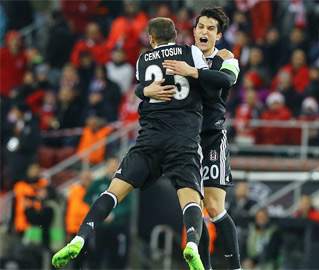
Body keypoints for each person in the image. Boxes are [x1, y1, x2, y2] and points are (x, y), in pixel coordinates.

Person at [52, 17, 233, 270]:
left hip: (149, 139)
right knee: (191, 199)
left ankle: (80, 236)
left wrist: (143, 91)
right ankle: (192, 243)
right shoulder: (190, 52)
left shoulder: (142, 60)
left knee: (112, 192)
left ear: (150, 39)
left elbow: (144, 89)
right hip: (183, 140)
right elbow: (211, 79)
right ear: (177, 34)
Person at [138, 7, 242, 270]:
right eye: (201, 27)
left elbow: (227, 80)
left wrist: (193, 72)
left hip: (212, 137)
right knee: (194, 206)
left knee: (215, 207)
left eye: (210, 28)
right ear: (193, 31)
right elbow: (149, 82)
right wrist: (142, 90)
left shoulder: (225, 57)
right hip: (186, 141)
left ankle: (236, 267)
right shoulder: (183, 54)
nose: (204, 32)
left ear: (218, 36)